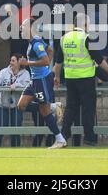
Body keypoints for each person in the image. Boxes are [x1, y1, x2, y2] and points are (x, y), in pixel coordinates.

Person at [54, 13, 108, 146]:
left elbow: (58, 61)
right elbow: (99, 59)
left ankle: (64, 135)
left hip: (70, 78)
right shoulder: (86, 38)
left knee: (71, 108)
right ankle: (89, 138)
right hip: (86, 79)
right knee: (88, 109)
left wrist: (57, 77)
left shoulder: (64, 38)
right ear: (85, 25)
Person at [18, 18, 67, 149]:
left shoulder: (35, 44)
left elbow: (45, 60)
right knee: (21, 106)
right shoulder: (35, 42)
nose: (20, 29)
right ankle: (53, 106)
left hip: (41, 80)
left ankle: (60, 139)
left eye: (23, 27)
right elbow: (50, 50)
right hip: (34, 80)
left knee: (44, 112)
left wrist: (27, 63)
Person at [0, 53, 31, 147]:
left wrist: (17, 85)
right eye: (11, 60)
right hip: (2, 106)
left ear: (19, 62)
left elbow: (28, 86)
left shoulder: (26, 73)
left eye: (13, 61)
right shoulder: (4, 71)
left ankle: (16, 151)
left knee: (16, 131)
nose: (11, 63)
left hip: (17, 106)